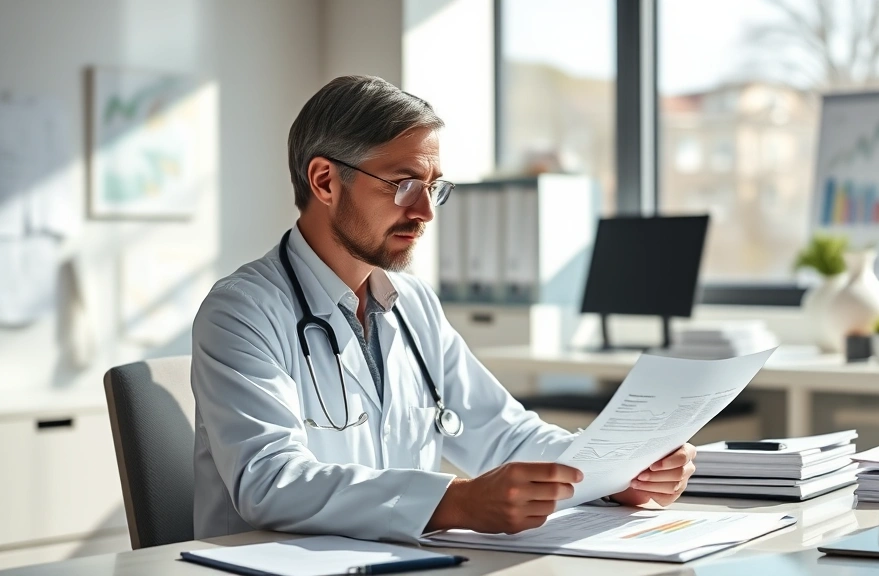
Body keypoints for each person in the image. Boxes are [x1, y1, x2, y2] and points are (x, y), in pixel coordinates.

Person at [191, 75, 697, 543]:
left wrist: (614, 475)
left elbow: (502, 433)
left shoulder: (412, 305)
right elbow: (271, 481)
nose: (426, 211)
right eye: (404, 184)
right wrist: (456, 502)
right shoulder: (242, 311)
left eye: (433, 188)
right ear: (324, 181)